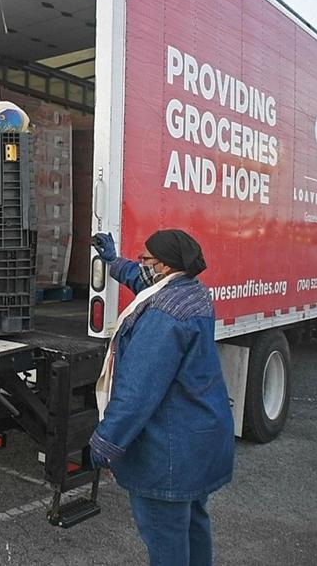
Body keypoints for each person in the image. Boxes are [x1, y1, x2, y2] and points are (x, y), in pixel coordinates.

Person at [89, 230, 234, 566]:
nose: (141, 264)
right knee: (193, 525)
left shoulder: (163, 319)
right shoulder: (189, 293)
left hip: (169, 454)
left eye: (146, 260)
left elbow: (137, 390)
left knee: (165, 541)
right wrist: (112, 261)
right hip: (198, 441)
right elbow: (142, 285)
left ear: (165, 266)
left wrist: (106, 441)